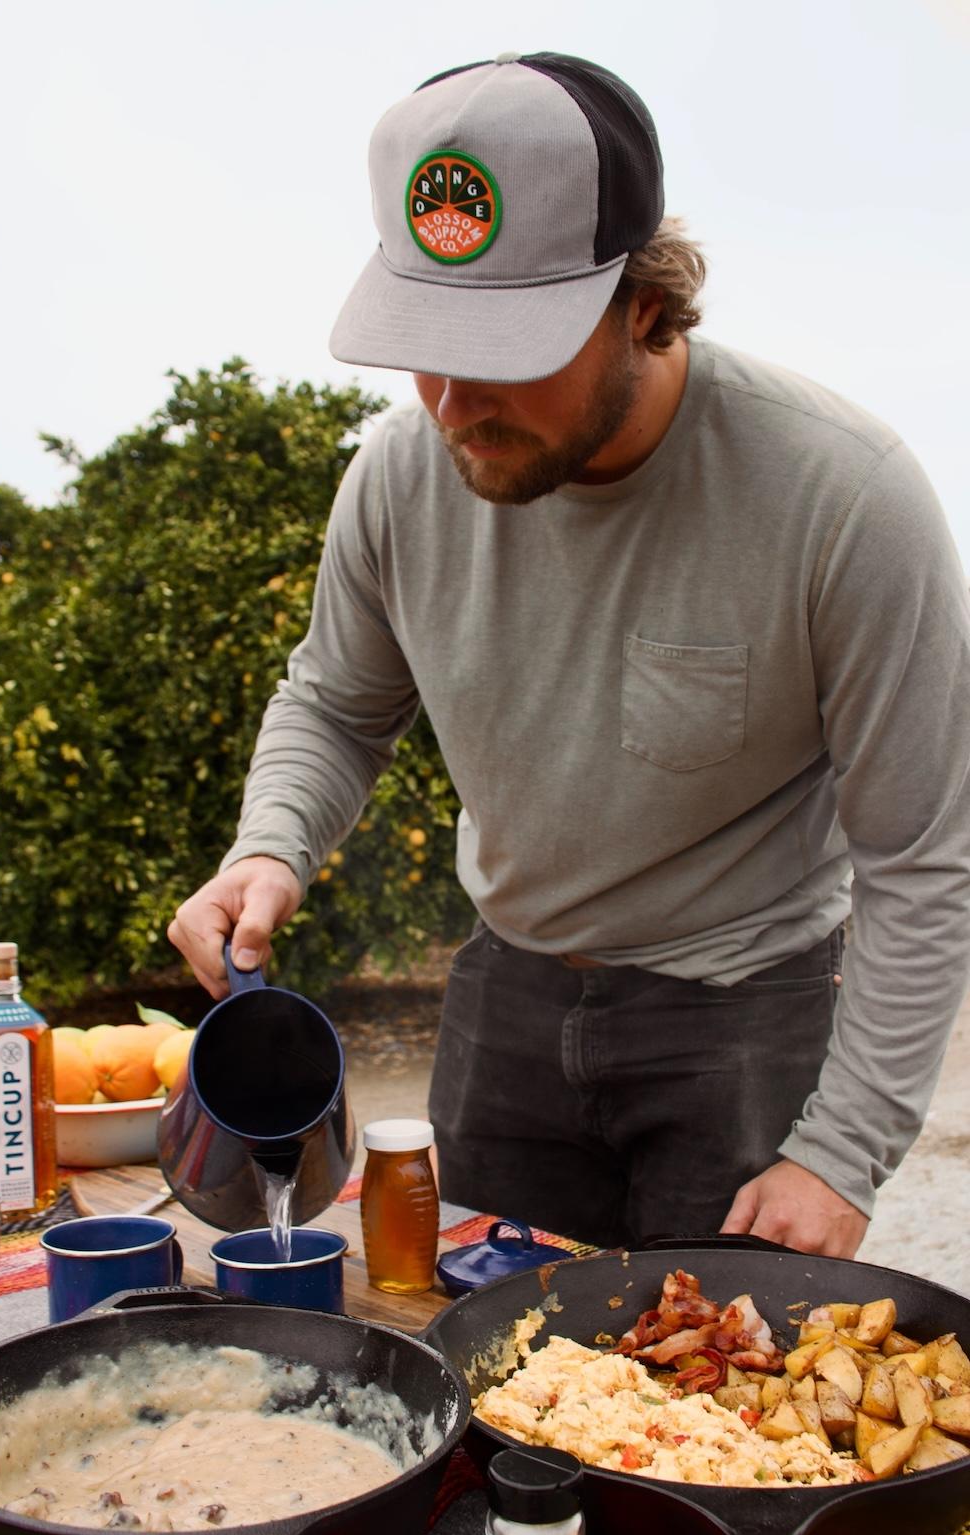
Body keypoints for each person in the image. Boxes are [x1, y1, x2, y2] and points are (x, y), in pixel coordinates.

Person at [169, 52, 970, 1257]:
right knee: (480, 1385)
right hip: (507, 1001)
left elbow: (922, 860)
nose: (449, 404)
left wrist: (842, 1150)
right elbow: (336, 704)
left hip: (743, 1017)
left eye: (503, 348)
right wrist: (271, 843)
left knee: (708, 1419)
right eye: (425, 342)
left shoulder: (844, 498)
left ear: (645, 304)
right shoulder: (399, 476)